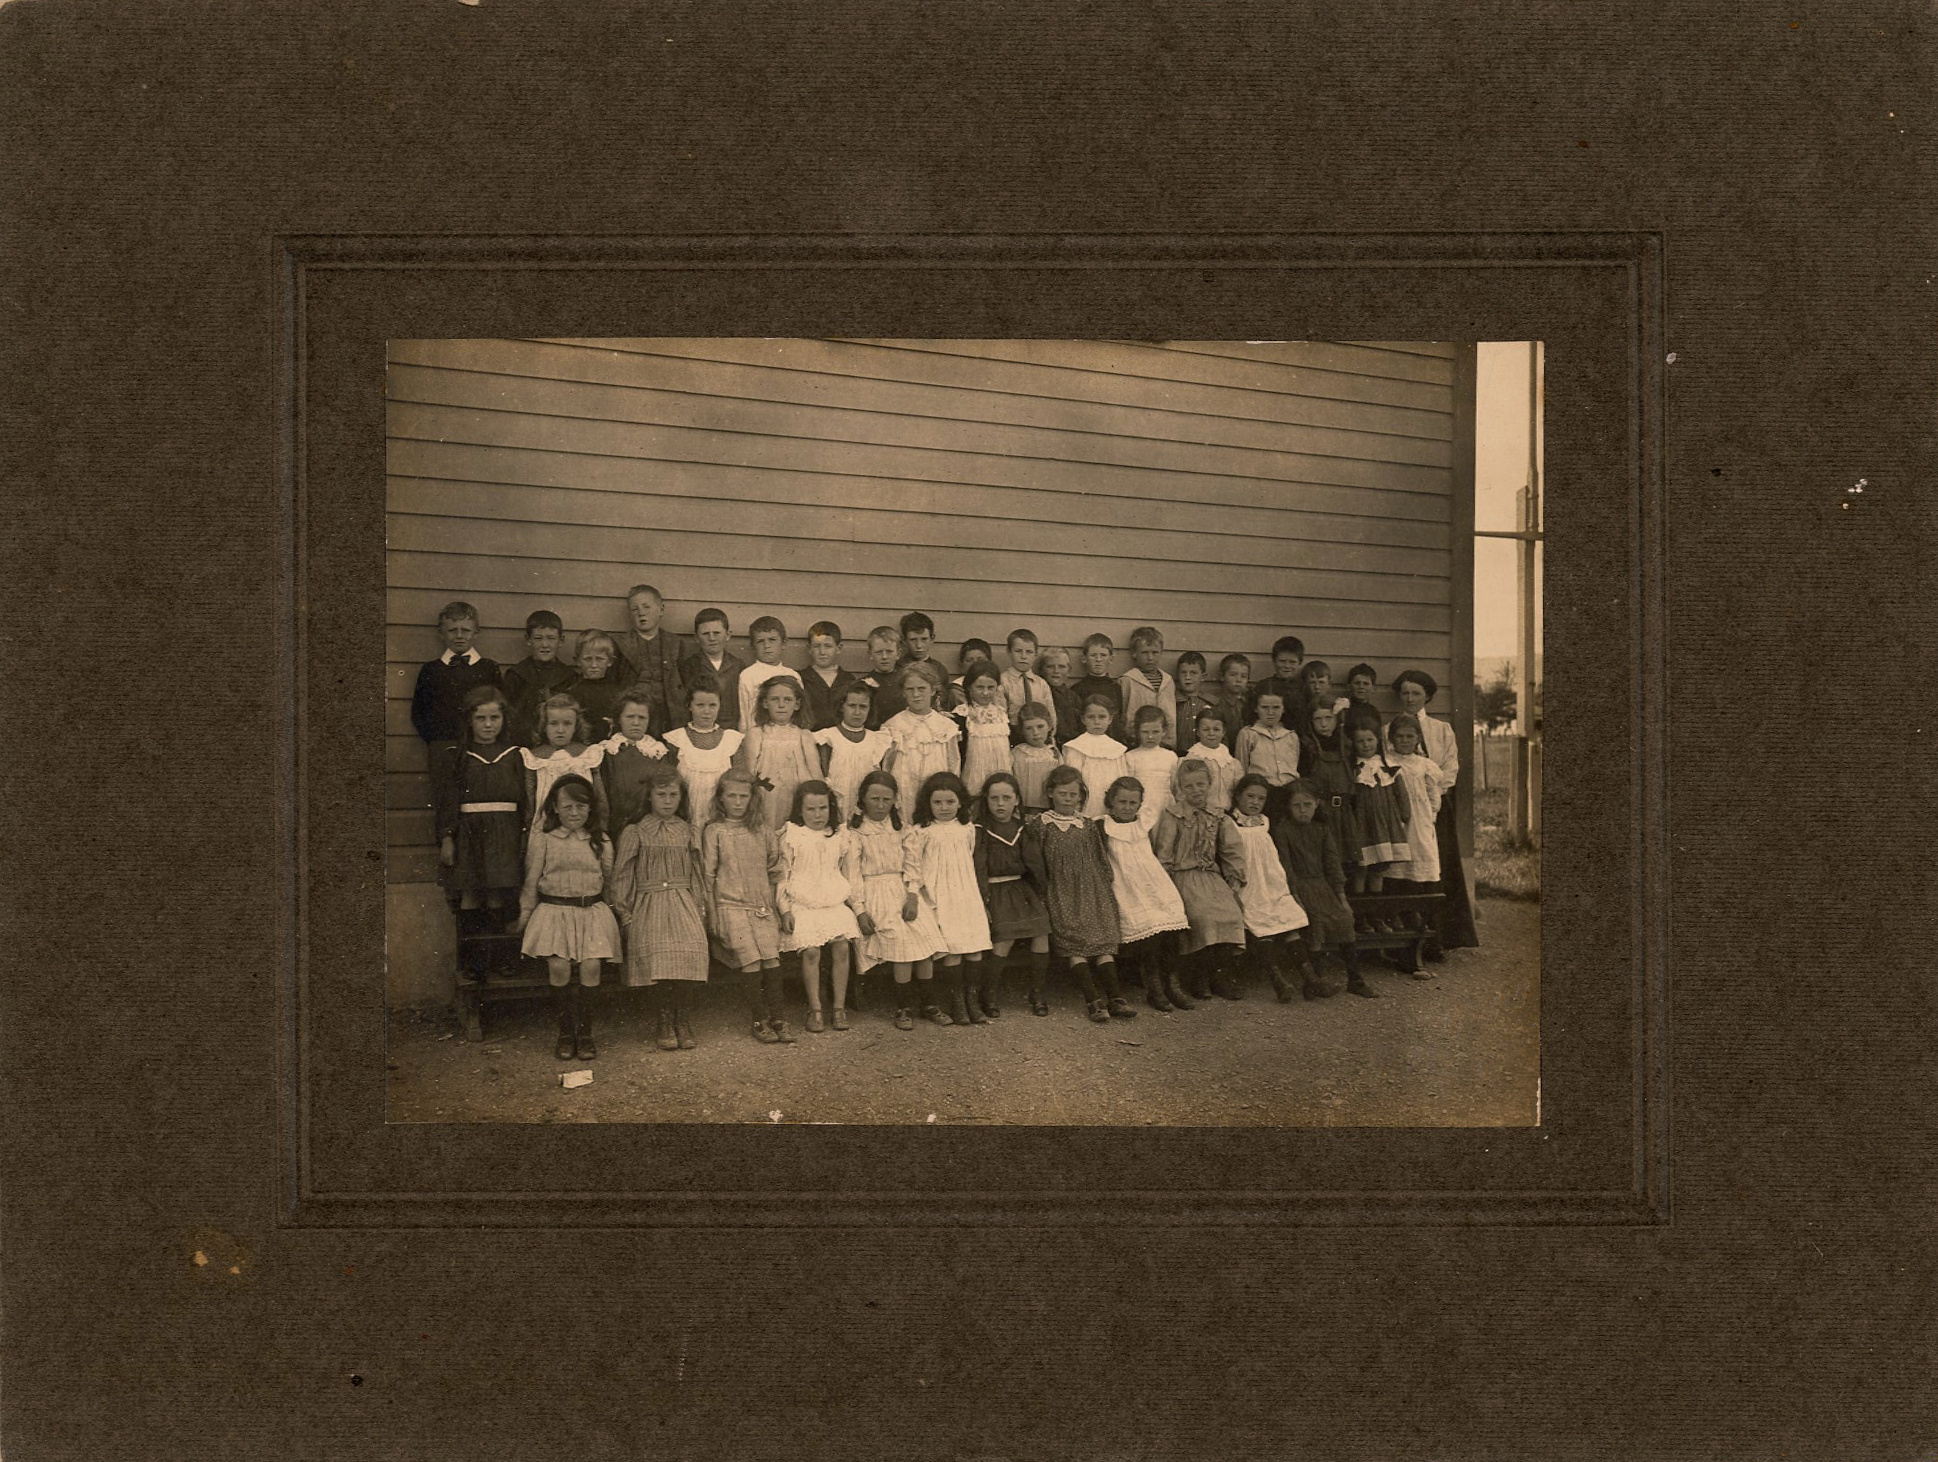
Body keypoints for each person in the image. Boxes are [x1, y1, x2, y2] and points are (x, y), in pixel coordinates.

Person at [514, 774, 620, 1061]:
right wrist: (524, 917)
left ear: (590, 809)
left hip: (592, 913)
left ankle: (585, 1034)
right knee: (559, 967)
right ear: (555, 809)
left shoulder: (601, 841)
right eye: (568, 807)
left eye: (581, 807)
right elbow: (531, 881)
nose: (574, 813)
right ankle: (565, 1033)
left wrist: (617, 913)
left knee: (591, 967)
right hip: (554, 912)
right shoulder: (545, 840)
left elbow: (610, 882)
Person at [606, 764, 709, 1049]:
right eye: (661, 794)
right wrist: (625, 913)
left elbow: (697, 875)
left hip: (682, 900)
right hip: (647, 902)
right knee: (657, 954)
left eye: (673, 795)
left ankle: (682, 1018)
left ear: (681, 798)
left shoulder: (689, 831)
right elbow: (623, 874)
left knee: (691, 950)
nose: (667, 800)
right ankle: (664, 1019)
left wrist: (700, 907)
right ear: (649, 797)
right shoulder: (636, 831)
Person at [432, 685, 527, 982]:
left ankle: (501, 960)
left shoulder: (515, 755)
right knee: (472, 895)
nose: (488, 725)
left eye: (494, 718)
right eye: (481, 719)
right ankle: (474, 964)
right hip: (469, 833)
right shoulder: (459, 756)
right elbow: (448, 800)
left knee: (499, 894)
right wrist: (447, 837)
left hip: (506, 832)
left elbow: (525, 799)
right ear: (469, 722)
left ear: (504, 719)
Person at [845, 770, 945, 1031]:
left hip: (902, 889)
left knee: (924, 935)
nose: (880, 805)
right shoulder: (855, 833)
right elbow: (853, 876)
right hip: (873, 893)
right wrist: (860, 911)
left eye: (886, 800)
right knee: (901, 942)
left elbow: (913, 865)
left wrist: (912, 895)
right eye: (874, 799)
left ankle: (929, 1003)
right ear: (863, 800)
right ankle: (903, 1006)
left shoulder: (903, 830)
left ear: (894, 801)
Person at [1386, 668, 1478, 954]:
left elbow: (1450, 768)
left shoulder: (1441, 730)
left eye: (1416, 693)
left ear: (1428, 696)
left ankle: (1438, 938)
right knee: (1404, 869)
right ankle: (1402, 941)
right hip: (1401, 808)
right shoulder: (1388, 730)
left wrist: (1429, 798)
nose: (1410, 698)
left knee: (1438, 870)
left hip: (1435, 806)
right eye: (1404, 693)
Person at [700, 769, 791, 1043]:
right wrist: (712, 914)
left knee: (771, 957)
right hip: (729, 907)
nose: (737, 802)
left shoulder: (762, 830)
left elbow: (774, 870)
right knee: (750, 958)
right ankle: (758, 1018)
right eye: (731, 796)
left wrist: (777, 907)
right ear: (721, 799)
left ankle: (778, 1016)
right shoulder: (715, 831)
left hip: (761, 907)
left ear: (752, 799)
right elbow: (708, 875)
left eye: (743, 796)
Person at [1031, 765, 1128, 1022]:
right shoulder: (1041, 824)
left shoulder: (1086, 824)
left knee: (1102, 942)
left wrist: (1105, 884)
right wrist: (1043, 890)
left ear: (1080, 797)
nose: (1068, 799)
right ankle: (1093, 1001)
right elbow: (1036, 861)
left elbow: (1099, 856)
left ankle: (1116, 998)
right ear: (1051, 793)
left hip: (1092, 889)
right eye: (1063, 794)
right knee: (1075, 943)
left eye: (1073, 795)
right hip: (1061, 890)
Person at [1151, 759, 1248, 1001]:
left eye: (1200, 785)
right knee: (1203, 916)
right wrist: (1168, 886)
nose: (1196, 790)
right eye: (1189, 786)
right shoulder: (1173, 815)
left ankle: (1219, 976)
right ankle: (1199, 977)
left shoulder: (1219, 816)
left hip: (1211, 877)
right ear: (1180, 789)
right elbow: (1164, 853)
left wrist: (1234, 882)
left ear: (1210, 785)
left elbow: (1232, 851)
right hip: (1182, 877)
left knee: (1231, 914)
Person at [1274, 780, 1376, 999]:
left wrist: (1341, 897)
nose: (1303, 810)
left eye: (1307, 805)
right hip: (1299, 887)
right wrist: (1295, 895)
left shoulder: (1322, 829)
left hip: (1323, 886)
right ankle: (1315, 981)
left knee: (1344, 919)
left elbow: (1332, 863)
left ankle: (1355, 979)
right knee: (1316, 920)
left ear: (1317, 804)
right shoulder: (1284, 830)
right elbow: (1286, 866)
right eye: (1297, 806)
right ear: (1288, 807)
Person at [904, 771, 993, 1025]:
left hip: (966, 893)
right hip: (938, 894)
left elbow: (973, 861)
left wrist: (982, 898)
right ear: (927, 803)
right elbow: (913, 866)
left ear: (960, 802)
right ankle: (956, 1003)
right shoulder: (921, 831)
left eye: (950, 802)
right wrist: (914, 894)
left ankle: (972, 1001)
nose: (944, 808)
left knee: (973, 948)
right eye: (937, 802)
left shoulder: (967, 829)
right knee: (952, 949)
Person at [1098, 777, 1190, 1013]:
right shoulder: (1102, 826)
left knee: (1173, 919)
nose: (1127, 807)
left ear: (1140, 804)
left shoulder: (1144, 823)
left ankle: (1172, 983)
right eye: (1122, 802)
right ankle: (1154, 987)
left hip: (1151, 879)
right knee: (1150, 925)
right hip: (1124, 884)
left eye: (1132, 802)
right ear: (1111, 801)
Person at [777, 780, 863, 1032]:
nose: (817, 815)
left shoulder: (841, 835)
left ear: (831, 808)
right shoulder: (791, 835)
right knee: (811, 951)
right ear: (800, 810)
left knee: (841, 948)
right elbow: (782, 876)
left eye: (823, 808)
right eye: (811, 809)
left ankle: (838, 1008)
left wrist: (859, 908)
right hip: (802, 903)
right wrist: (785, 910)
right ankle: (815, 1008)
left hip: (833, 901)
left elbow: (852, 875)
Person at [1226, 774, 1312, 1002]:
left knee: (1289, 921)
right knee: (1262, 927)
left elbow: (1272, 856)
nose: (1254, 802)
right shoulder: (1229, 822)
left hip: (1271, 881)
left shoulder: (1265, 821)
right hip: (1247, 884)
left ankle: (1310, 979)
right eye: (1250, 796)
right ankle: (1279, 982)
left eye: (1260, 799)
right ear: (1237, 796)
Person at [972, 773, 1051, 1019]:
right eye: (994, 798)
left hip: (1021, 890)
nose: (1000, 804)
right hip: (995, 892)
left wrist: (1039, 893)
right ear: (986, 801)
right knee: (1003, 941)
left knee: (1041, 935)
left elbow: (1035, 865)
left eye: (1007, 798)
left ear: (1016, 799)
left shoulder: (1022, 830)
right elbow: (979, 868)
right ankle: (989, 993)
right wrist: (983, 900)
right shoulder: (981, 831)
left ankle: (1037, 993)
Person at [1382, 714, 1448, 943]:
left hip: (1420, 821)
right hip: (1397, 820)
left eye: (1410, 736)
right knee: (1399, 865)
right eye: (1399, 736)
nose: (1405, 741)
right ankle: (1397, 914)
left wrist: (1431, 815)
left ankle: (1419, 915)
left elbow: (1433, 793)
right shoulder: (1387, 762)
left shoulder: (1425, 765)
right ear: (1391, 739)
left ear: (1418, 738)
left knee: (1420, 860)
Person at [520, 693, 610, 845]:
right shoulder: (534, 758)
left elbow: (599, 796)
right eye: (553, 724)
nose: (560, 730)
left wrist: (601, 827)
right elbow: (530, 799)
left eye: (567, 724)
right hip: (546, 827)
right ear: (544, 726)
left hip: (583, 826)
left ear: (576, 726)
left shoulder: (588, 755)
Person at [733, 676, 821, 831]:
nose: (781, 705)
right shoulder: (756, 734)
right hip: (767, 796)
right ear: (765, 703)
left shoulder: (804, 735)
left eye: (787, 700)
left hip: (797, 794)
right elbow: (750, 773)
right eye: (775, 699)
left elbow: (815, 774)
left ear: (797, 704)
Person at [410, 601, 501, 750]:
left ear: (476, 633)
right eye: (452, 630)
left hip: (482, 748)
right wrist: (437, 742)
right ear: (441, 633)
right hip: (443, 748)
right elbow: (419, 713)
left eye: (465, 630)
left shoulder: (489, 668)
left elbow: (500, 709)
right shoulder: (431, 670)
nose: (459, 636)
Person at [881, 662, 960, 824]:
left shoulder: (946, 727)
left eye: (921, 689)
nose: (916, 694)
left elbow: (954, 766)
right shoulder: (893, 726)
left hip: (937, 796)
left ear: (932, 690)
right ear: (903, 692)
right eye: (910, 689)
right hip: (905, 791)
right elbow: (887, 767)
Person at [664, 681, 743, 830]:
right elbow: (668, 783)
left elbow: (739, 785)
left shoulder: (732, 741)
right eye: (700, 705)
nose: (706, 711)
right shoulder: (676, 740)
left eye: (712, 705)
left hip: (720, 820)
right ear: (689, 706)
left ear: (720, 706)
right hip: (684, 818)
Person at [599, 689, 677, 835]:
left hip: (650, 828)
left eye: (642, 718)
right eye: (629, 717)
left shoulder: (658, 752)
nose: (636, 723)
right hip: (616, 826)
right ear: (619, 719)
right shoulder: (608, 751)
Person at [612, 584, 686, 735]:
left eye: (646, 607)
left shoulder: (675, 643)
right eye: (635, 609)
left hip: (668, 717)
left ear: (661, 609)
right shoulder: (620, 644)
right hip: (635, 718)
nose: (641, 613)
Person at [813, 683, 891, 819]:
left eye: (863, 707)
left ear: (869, 709)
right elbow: (822, 774)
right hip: (836, 805)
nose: (857, 712)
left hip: (864, 809)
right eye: (852, 706)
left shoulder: (877, 740)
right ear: (842, 707)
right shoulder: (828, 737)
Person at [500, 609, 578, 747]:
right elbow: (508, 717)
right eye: (538, 638)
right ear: (528, 640)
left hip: (560, 745)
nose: (545, 645)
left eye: (551, 638)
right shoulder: (517, 675)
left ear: (561, 641)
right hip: (524, 743)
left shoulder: (569, 677)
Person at [1349, 725, 1410, 898]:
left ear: (1378, 741)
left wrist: (1404, 814)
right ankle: (1362, 917)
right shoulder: (1352, 768)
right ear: (1353, 744)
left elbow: (1401, 793)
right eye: (1360, 741)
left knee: (1378, 869)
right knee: (1361, 869)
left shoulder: (1387, 766)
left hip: (1384, 825)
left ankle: (1377, 914)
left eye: (1370, 740)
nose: (1366, 744)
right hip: (1361, 825)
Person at [1234, 688, 1301, 822]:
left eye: (1276, 707)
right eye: (1264, 707)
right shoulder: (1248, 734)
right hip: (1263, 795)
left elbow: (1294, 764)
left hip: (1289, 793)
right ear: (1256, 708)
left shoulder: (1291, 736)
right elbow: (1241, 768)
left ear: (1284, 709)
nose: (1270, 712)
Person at [1060, 695, 1130, 819]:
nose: (1096, 722)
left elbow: (1121, 780)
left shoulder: (1117, 749)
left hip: (1109, 805)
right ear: (1083, 719)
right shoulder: (1075, 747)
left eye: (1102, 717)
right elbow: (1071, 782)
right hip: (1084, 804)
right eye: (1091, 717)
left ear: (1110, 719)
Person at [679, 608, 748, 731]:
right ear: (696, 637)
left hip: (730, 730)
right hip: (700, 729)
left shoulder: (738, 665)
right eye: (705, 634)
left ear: (728, 635)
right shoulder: (689, 666)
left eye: (717, 633)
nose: (711, 638)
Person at [954, 660, 1011, 799]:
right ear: (969, 687)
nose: (985, 693)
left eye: (991, 687)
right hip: (972, 783)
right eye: (979, 687)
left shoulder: (1002, 715)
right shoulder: (961, 715)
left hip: (999, 783)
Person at [736, 616, 803, 733]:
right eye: (760, 641)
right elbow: (744, 713)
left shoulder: (792, 675)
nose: (766, 646)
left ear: (783, 643)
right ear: (753, 646)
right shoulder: (748, 675)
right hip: (758, 735)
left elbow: (801, 712)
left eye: (772, 640)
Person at [1118, 625, 1179, 747]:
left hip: (1165, 743)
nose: (1150, 657)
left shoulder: (1168, 681)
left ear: (1161, 652)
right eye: (1145, 653)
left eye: (1155, 652)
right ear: (1134, 654)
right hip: (1136, 743)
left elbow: (1171, 715)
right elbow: (1123, 714)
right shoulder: (1128, 680)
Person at [1123, 704, 1179, 828]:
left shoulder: (1170, 756)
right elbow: (1130, 787)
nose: (1150, 736)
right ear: (1137, 732)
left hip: (1165, 805)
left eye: (1155, 732)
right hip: (1142, 806)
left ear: (1164, 731)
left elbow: (1175, 785)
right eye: (1145, 732)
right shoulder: (1131, 756)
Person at [798, 620, 858, 732]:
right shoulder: (800, 678)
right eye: (816, 646)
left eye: (828, 646)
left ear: (839, 648)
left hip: (841, 740)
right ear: (809, 648)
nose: (822, 652)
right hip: (811, 738)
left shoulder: (848, 680)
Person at [1180, 708, 1242, 814]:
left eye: (1216, 729)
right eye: (1206, 729)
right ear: (1198, 732)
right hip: (1200, 813)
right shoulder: (1192, 759)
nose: (1211, 733)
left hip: (1227, 813)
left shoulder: (1232, 762)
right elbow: (1183, 792)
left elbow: (1238, 790)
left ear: (1224, 732)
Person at [567, 630, 625, 742]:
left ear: (610, 661)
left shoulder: (617, 691)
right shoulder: (574, 692)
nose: (594, 665)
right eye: (588, 659)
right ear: (577, 661)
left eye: (599, 659)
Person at [999, 628, 1055, 742]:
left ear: (1035, 654)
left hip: (1039, 738)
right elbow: (1000, 716)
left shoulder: (1041, 684)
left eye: (1029, 652)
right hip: (1013, 737)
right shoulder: (1002, 681)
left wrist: (1049, 736)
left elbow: (1051, 715)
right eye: (1018, 651)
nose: (1023, 656)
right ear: (1009, 652)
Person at [1071, 633, 1127, 742]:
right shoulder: (1077, 689)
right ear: (1084, 658)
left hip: (1112, 742)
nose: (1098, 659)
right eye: (1093, 655)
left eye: (1103, 655)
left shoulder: (1117, 688)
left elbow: (1119, 719)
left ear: (1111, 659)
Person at [1249, 634, 1309, 736]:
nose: (1287, 666)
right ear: (1274, 661)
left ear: (1300, 663)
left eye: (1292, 662)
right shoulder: (1264, 686)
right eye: (1282, 661)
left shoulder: (1304, 688)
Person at [1009, 704, 1059, 814]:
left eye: (1040, 727)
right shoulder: (1017, 754)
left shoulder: (1054, 753)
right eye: (1029, 728)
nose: (1035, 733)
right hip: (1025, 809)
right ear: (1022, 730)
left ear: (1050, 726)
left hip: (1050, 811)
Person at [858, 626, 905, 728]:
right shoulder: (863, 684)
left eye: (889, 651)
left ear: (898, 654)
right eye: (879, 652)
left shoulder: (906, 681)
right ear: (870, 654)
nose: (884, 657)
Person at [1038, 646, 1083, 748]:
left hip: (1071, 746)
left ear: (1069, 670)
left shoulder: (1073, 697)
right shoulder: (1039, 693)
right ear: (1041, 670)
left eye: (1061, 667)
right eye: (1050, 666)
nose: (1056, 671)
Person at [1173, 651, 1217, 750]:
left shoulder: (1211, 703)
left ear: (1203, 677)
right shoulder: (1172, 702)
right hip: (1177, 755)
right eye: (1183, 672)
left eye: (1193, 673)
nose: (1187, 677)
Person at [1213, 653, 1251, 752]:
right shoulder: (1216, 703)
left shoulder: (1249, 703)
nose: (1238, 680)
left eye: (1243, 676)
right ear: (1222, 676)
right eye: (1233, 675)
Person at [1343, 662, 1384, 740]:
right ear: (1348, 687)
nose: (1361, 687)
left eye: (1366, 684)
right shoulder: (1343, 709)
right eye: (1357, 683)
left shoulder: (1373, 712)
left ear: (1373, 689)